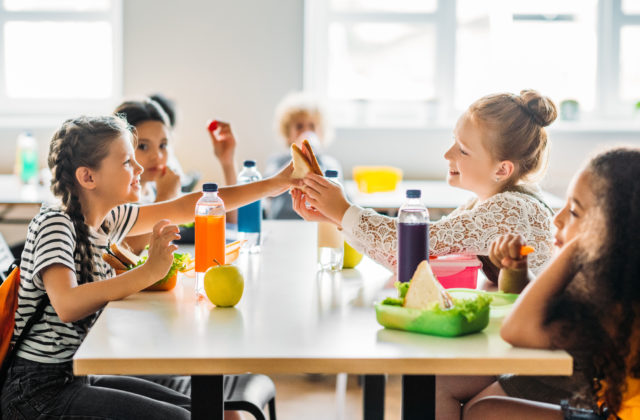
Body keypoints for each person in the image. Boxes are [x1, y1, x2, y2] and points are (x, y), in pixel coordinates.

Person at [0, 115, 295, 419]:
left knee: (201, 411)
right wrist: (147, 272)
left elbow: (189, 205)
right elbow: (67, 303)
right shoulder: (55, 224)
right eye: (127, 162)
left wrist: (274, 185)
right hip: (34, 394)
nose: (139, 168)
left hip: (72, 379)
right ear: (88, 177)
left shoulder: (108, 219)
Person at [438, 147, 640, 420]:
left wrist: (578, 245)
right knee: (439, 383)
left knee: (484, 413)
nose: (557, 219)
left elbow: (517, 329)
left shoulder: (617, 306)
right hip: (575, 385)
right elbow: (543, 312)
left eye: (575, 213)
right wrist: (518, 274)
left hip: (602, 407)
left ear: (615, 235)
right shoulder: (599, 282)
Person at [292, 90, 557, 281]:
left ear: (502, 169)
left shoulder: (510, 210)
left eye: (463, 150)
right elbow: (412, 259)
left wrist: (343, 211)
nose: (448, 155)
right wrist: (337, 218)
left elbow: (420, 242)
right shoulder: (480, 204)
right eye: (454, 141)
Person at [114, 98, 239, 253]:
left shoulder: (154, 188)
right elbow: (124, 254)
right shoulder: (115, 199)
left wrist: (227, 163)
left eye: (163, 145)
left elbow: (229, 223)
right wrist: (165, 196)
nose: (157, 156)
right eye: (143, 146)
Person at [265, 91, 342, 219]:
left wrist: (314, 159)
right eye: (299, 126)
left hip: (317, 224)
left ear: (321, 133)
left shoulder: (329, 163)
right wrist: (298, 158)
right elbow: (268, 189)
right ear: (288, 134)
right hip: (282, 221)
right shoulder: (277, 161)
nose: (306, 131)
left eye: (312, 126)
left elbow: (341, 199)